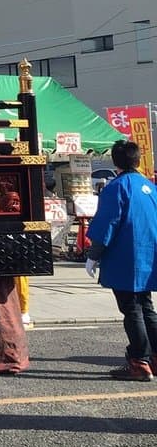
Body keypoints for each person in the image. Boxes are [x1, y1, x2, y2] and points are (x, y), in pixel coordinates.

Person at [86, 139, 157, 381]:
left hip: (125, 256)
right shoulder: (149, 187)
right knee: (146, 307)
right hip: (148, 254)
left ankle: (139, 360)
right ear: (137, 160)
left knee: (132, 309)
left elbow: (108, 223)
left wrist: (93, 255)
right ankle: (154, 356)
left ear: (115, 161)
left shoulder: (116, 187)